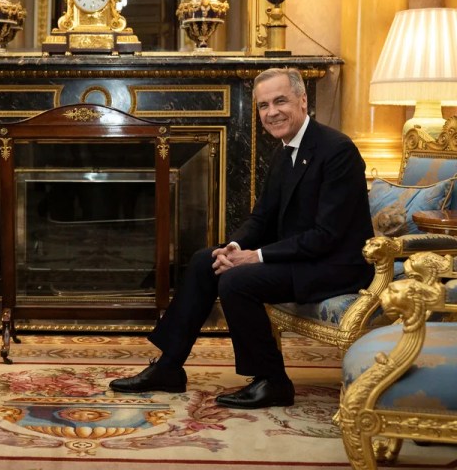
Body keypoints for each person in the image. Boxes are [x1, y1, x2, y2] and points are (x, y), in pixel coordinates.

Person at [109, 67, 374, 409]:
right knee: (208, 260)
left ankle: (272, 380)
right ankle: (169, 367)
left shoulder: (337, 151)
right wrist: (233, 247)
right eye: (263, 105)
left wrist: (257, 257)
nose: (272, 112)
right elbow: (261, 217)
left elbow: (326, 236)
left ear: (303, 100)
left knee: (237, 281)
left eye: (280, 101)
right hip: (304, 257)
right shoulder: (284, 151)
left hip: (335, 264)